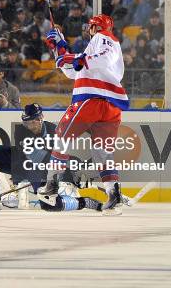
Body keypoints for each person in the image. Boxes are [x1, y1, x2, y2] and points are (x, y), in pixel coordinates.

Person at [44, 14, 129, 214]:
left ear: (93, 27)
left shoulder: (103, 37)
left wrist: (75, 57)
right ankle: (113, 193)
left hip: (92, 101)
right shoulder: (94, 49)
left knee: (62, 136)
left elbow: (99, 59)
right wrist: (59, 47)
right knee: (102, 153)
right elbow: (74, 71)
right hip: (109, 108)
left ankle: (52, 185)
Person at [0, 103, 102, 212]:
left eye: (33, 122)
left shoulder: (55, 131)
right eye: (27, 122)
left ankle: (84, 202)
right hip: (20, 163)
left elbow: (62, 156)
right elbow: (35, 158)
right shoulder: (21, 131)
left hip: (43, 171)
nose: (30, 126)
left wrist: (75, 168)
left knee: (49, 205)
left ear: (41, 118)